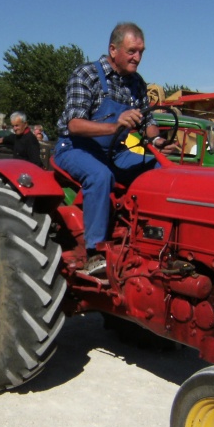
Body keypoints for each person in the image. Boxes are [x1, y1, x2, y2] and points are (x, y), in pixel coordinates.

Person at [53, 22, 173, 274]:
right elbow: (74, 124)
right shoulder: (87, 75)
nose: (137, 58)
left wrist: (158, 142)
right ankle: (94, 252)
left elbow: (148, 122)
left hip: (114, 152)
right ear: (113, 49)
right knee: (100, 175)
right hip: (76, 149)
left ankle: (153, 240)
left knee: (161, 169)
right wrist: (115, 126)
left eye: (141, 52)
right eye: (132, 51)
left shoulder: (137, 83)